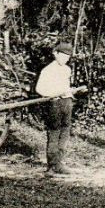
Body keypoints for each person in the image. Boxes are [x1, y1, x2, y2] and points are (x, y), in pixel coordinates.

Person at [35, 38, 81, 175]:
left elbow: (65, 86)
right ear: (56, 54)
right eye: (63, 56)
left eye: (68, 57)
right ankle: (51, 165)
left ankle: (59, 164)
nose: (66, 59)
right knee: (54, 133)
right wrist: (54, 94)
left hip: (67, 103)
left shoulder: (67, 70)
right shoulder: (48, 70)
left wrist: (73, 91)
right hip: (54, 103)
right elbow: (40, 89)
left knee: (65, 133)